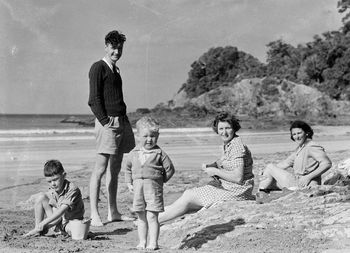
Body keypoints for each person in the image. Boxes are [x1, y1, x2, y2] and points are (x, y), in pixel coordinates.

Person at [158, 112, 254, 224]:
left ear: (234, 128)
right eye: (221, 128)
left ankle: (155, 219)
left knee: (189, 196)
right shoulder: (229, 143)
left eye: (228, 128)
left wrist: (215, 171)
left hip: (237, 191)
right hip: (229, 187)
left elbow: (238, 177)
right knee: (188, 196)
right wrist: (213, 165)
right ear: (216, 130)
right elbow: (228, 162)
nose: (224, 132)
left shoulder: (237, 147)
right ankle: (157, 216)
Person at [88, 30, 135, 226]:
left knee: (114, 170)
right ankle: (94, 214)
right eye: (114, 48)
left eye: (120, 48)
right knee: (99, 170)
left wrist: (120, 121)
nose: (117, 51)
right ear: (106, 46)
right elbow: (93, 100)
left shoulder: (116, 69)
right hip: (108, 124)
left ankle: (113, 212)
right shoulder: (98, 67)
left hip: (121, 121)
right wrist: (106, 122)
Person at [124, 116, 175, 250]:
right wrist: (129, 183)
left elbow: (170, 169)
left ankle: (153, 242)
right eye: (145, 136)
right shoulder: (133, 153)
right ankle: (142, 241)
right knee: (141, 217)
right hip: (138, 191)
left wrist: (161, 180)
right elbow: (127, 169)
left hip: (154, 190)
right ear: (138, 136)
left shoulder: (159, 154)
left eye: (152, 136)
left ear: (157, 136)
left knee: (152, 216)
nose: (149, 139)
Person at [257, 120, 332, 198]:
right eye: (294, 134)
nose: (297, 136)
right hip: (297, 182)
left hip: (306, 184)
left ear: (307, 133)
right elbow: (285, 164)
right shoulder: (300, 148)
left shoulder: (311, 146)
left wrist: (308, 177)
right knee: (269, 179)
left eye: (299, 133)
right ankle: (262, 196)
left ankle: (260, 197)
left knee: (270, 166)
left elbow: (327, 164)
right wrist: (264, 171)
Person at [23, 160, 85, 238]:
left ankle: (59, 230)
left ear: (64, 175)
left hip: (71, 222)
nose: (53, 184)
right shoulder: (53, 191)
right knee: (41, 197)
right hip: (58, 222)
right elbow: (57, 215)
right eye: (49, 181)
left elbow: (61, 211)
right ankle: (37, 229)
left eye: (55, 179)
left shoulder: (73, 189)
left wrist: (44, 223)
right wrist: (46, 226)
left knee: (77, 231)